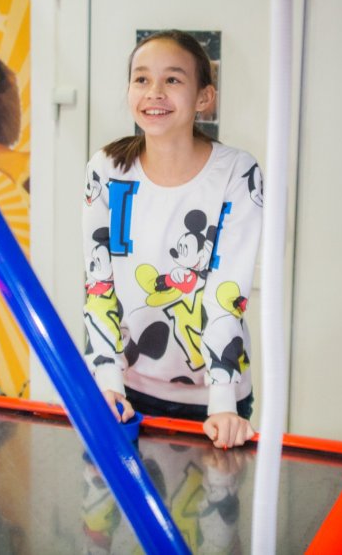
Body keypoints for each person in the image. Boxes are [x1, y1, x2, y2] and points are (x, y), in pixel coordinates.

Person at [83, 30, 263, 449]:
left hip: (213, 398)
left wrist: (222, 402)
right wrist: (107, 380)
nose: (154, 92)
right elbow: (98, 283)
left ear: (204, 97)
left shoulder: (237, 172)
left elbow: (228, 292)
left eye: (173, 79)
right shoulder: (106, 168)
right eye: (142, 79)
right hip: (123, 389)